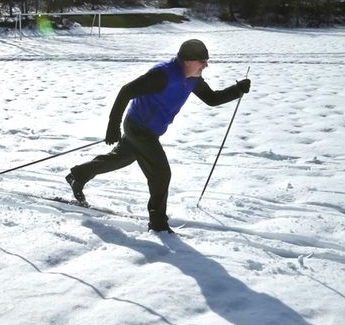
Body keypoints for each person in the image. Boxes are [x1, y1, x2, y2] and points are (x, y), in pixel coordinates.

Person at [65, 39, 251, 233]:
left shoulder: (193, 78)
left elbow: (212, 99)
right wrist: (113, 125)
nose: (206, 65)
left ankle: (78, 176)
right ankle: (158, 223)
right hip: (138, 127)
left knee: (119, 159)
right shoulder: (163, 75)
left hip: (150, 129)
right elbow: (126, 91)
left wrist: (236, 90)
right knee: (161, 173)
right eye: (202, 61)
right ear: (188, 61)